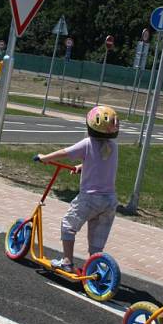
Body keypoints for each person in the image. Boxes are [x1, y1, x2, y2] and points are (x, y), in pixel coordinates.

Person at [34, 105, 120, 273]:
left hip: (90, 199)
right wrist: (83, 165)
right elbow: (102, 162)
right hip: (109, 201)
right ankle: (95, 270)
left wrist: (44, 158)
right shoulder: (114, 147)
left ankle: (67, 261)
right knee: (96, 241)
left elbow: (64, 152)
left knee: (68, 225)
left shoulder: (88, 143)